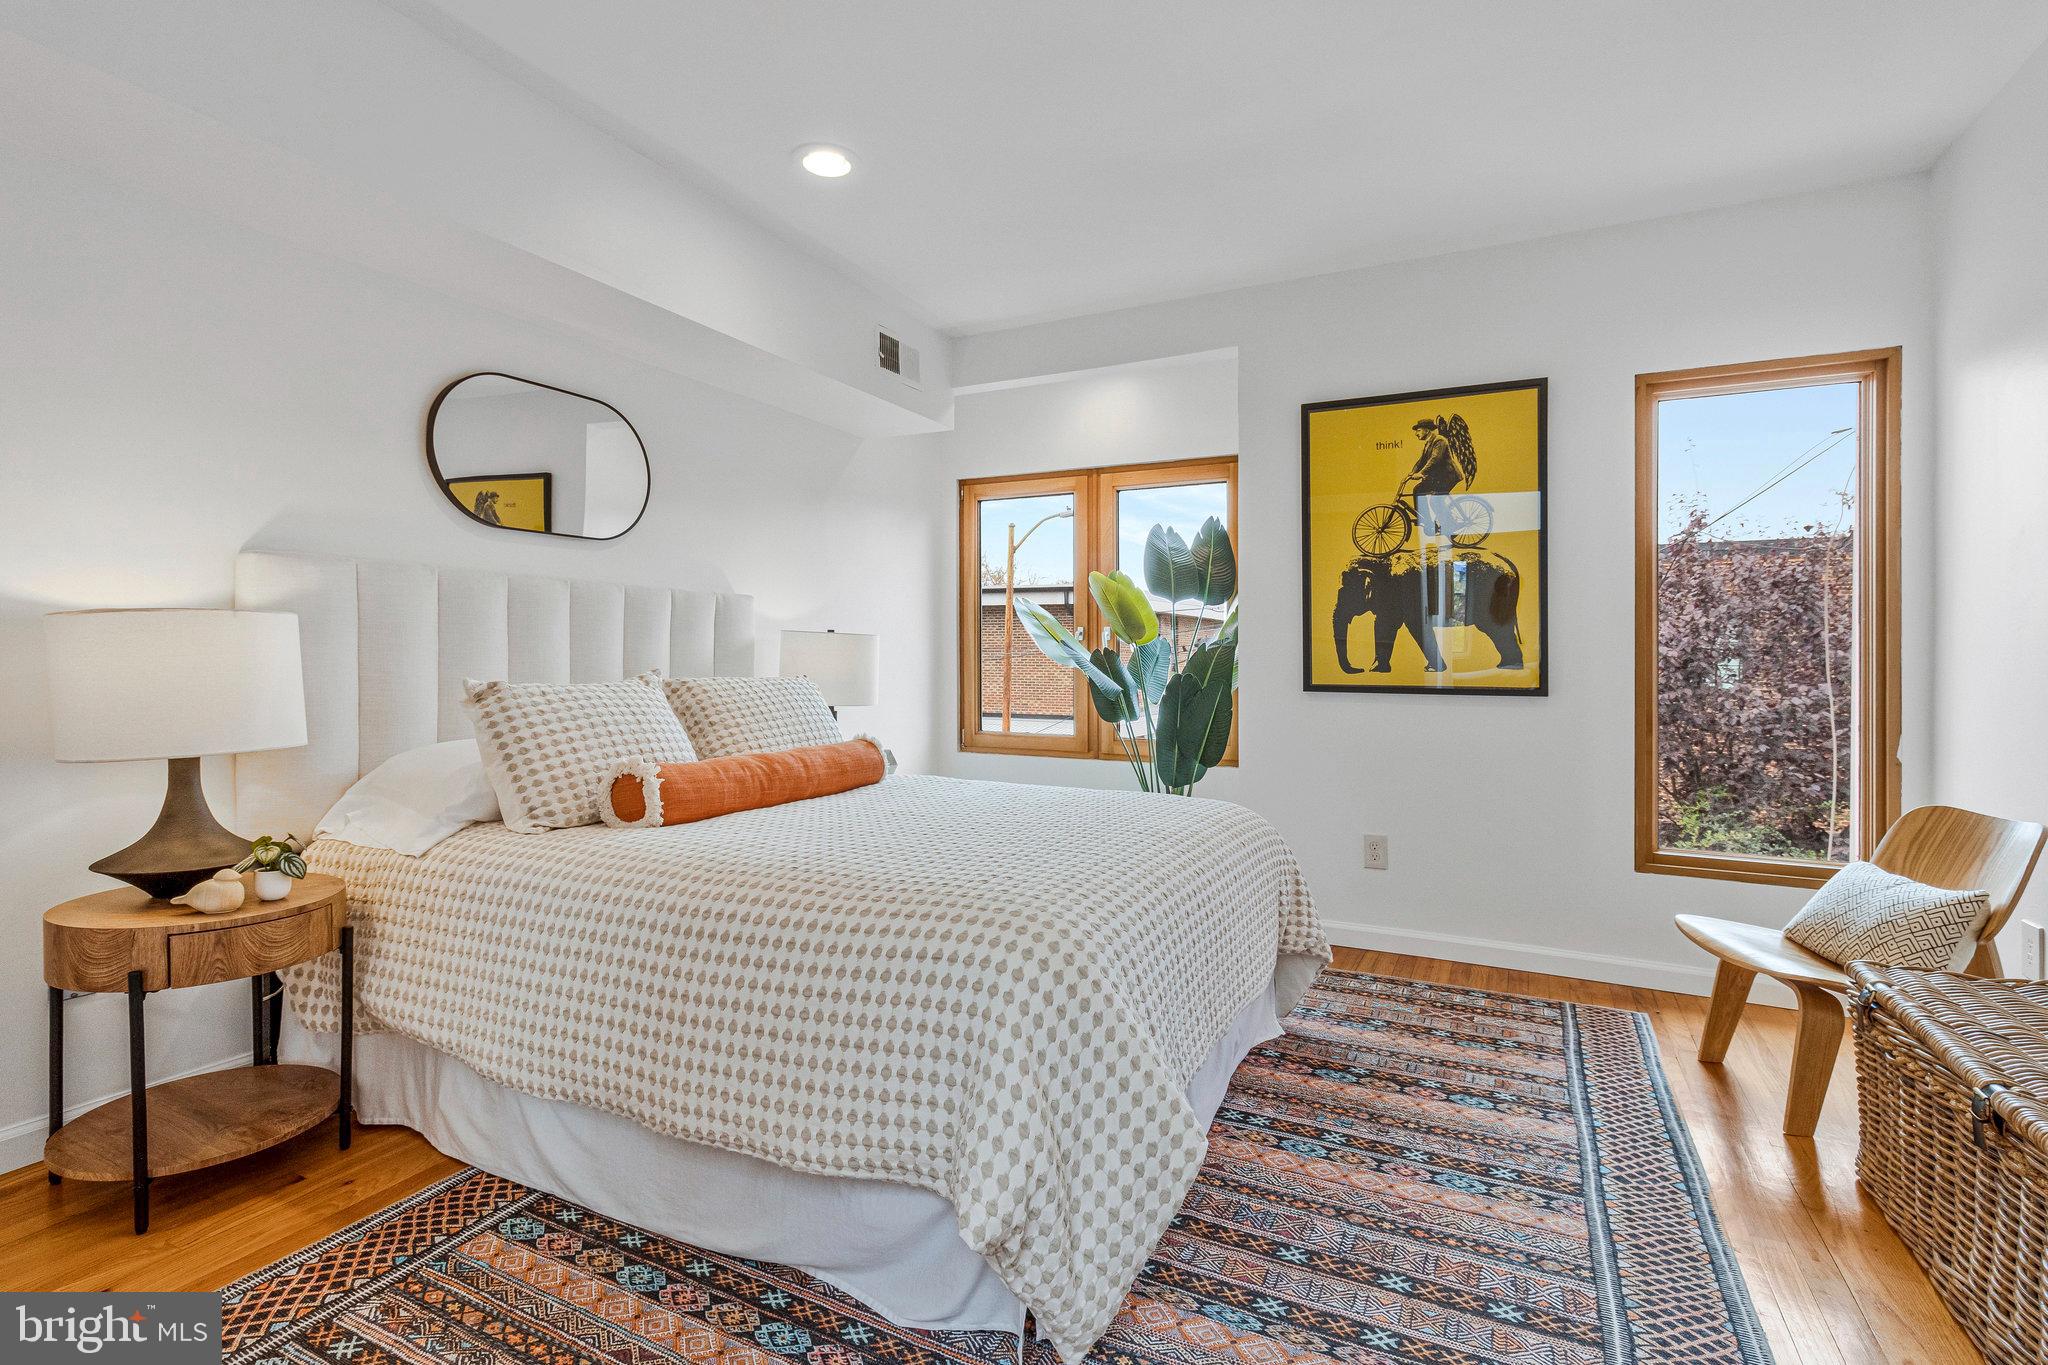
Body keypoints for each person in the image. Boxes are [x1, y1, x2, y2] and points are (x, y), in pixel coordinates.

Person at [1397, 414, 1477, 536]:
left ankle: (1451, 525)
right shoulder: (1429, 443)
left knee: (1435, 500)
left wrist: (1421, 473)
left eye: (1418, 430)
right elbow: (1422, 460)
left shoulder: (1439, 440)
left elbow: (1435, 459)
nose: (1416, 433)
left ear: (1426, 430)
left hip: (1448, 476)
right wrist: (1412, 473)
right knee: (1418, 490)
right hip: (1438, 477)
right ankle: (1428, 523)